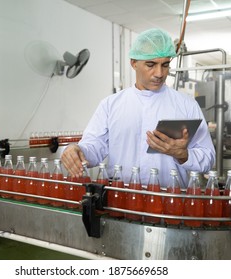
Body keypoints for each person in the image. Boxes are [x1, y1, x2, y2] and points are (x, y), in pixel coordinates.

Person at [61, 28, 215, 187]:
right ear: (133, 63)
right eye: (151, 64)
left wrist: (183, 155)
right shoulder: (111, 105)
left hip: (170, 201)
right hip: (121, 199)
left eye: (165, 65)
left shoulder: (186, 105)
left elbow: (208, 158)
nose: (159, 73)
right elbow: (93, 148)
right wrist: (76, 150)